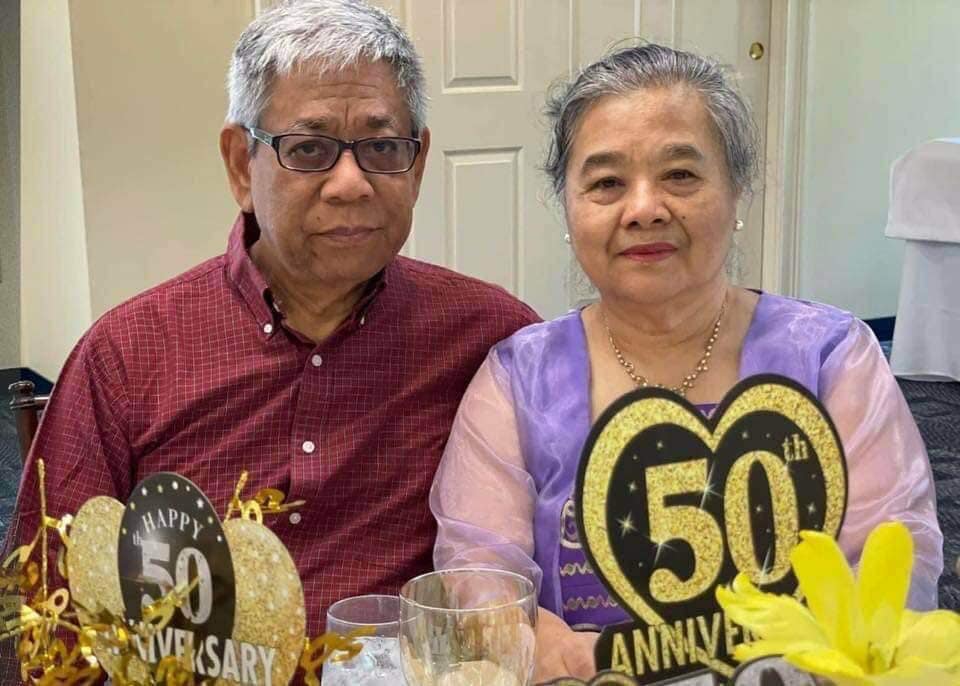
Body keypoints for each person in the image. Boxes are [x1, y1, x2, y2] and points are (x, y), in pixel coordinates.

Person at [5, 0, 537, 643]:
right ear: (240, 164)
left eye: (381, 147)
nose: (351, 184)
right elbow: (45, 610)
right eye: (309, 149)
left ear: (417, 163)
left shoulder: (491, 340)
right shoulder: (129, 355)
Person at [429, 44, 943, 681]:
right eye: (607, 183)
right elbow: (480, 576)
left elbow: (892, 559)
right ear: (567, 206)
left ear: (736, 191)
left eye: (680, 175)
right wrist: (557, 651)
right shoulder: (519, 379)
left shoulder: (831, 355)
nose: (645, 208)